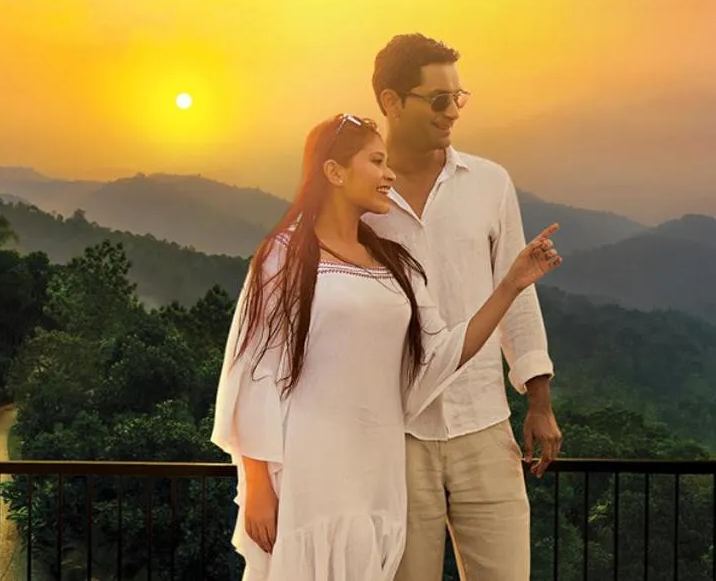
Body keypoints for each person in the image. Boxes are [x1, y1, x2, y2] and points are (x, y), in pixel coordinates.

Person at [210, 112, 563, 580]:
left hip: (378, 473)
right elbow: (253, 369)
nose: (389, 174)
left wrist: (511, 285)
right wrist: (256, 481)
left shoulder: (393, 262)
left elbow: (440, 355)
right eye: (376, 162)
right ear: (334, 172)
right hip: (309, 470)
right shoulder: (284, 255)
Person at [362, 33, 562, 581]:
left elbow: (517, 294)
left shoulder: (490, 184)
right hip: (396, 433)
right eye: (438, 99)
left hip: (484, 425)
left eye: (459, 98)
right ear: (391, 101)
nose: (452, 112)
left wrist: (538, 401)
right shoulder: (361, 197)